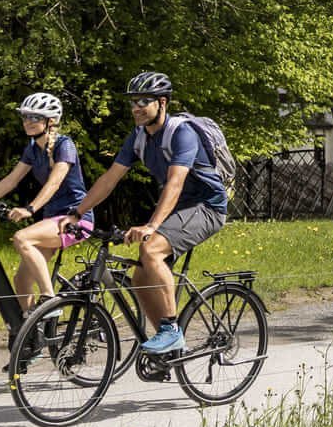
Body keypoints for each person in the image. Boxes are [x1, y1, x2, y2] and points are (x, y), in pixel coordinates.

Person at [68, 71, 228, 361]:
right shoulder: (139, 137)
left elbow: (176, 182)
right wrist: (77, 214)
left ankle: (171, 330)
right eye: (133, 102)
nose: (136, 108)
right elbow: (110, 178)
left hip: (207, 207)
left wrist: (153, 225)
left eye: (144, 100)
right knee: (140, 276)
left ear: (162, 103)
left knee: (151, 249)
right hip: (179, 210)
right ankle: (166, 348)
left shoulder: (182, 133)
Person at [0, 91, 91, 312]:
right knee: (21, 281)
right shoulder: (32, 148)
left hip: (75, 219)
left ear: (50, 122)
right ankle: (34, 335)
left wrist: (30, 209)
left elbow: (54, 183)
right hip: (51, 220)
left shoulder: (64, 145)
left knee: (22, 238)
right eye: (25, 116)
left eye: (35, 117)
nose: (27, 121)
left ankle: (50, 302)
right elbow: (11, 180)